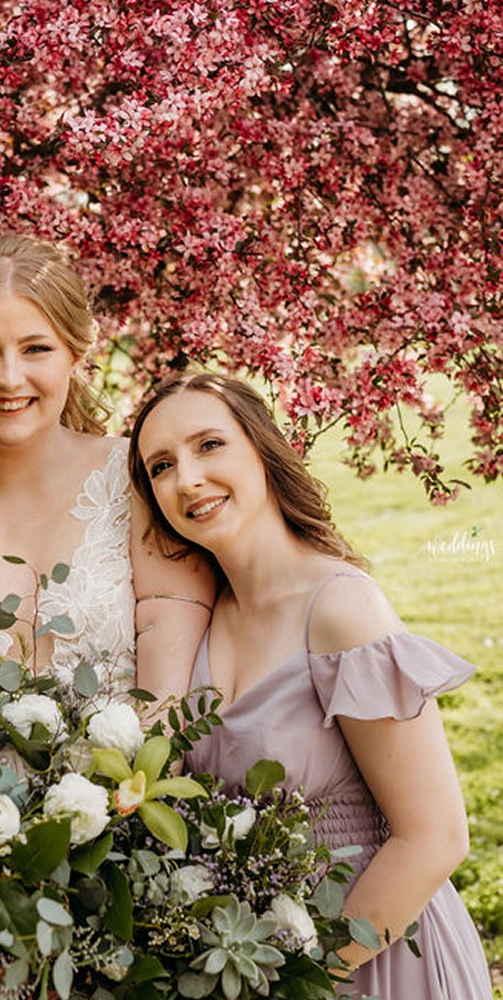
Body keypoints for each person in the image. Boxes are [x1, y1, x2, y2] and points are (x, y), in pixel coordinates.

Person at [128, 370, 493, 999]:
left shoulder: (339, 610)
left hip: (370, 954)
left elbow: (433, 837)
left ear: (262, 451)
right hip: (249, 962)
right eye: (161, 466)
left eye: (209, 445)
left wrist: (312, 980)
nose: (186, 478)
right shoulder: (203, 614)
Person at [0, 233, 214, 702]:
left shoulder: (140, 479)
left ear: (75, 353)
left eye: (36, 349)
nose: (9, 378)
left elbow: (168, 701)